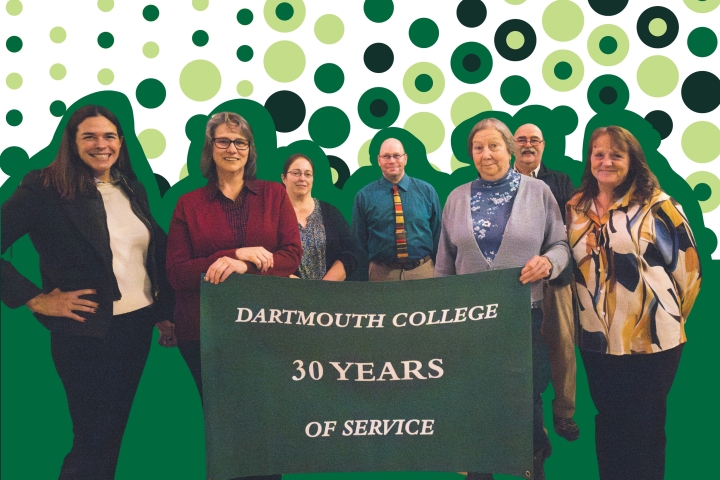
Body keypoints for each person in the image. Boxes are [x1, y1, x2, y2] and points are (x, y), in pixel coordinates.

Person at [1, 105, 175, 479]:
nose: (101, 144)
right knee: (92, 438)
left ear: (121, 142)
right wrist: (37, 298)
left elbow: (150, 255)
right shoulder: (44, 187)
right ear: (72, 142)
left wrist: (165, 313)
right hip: (84, 332)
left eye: (109, 136)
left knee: (112, 434)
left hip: (136, 328)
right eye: (90, 136)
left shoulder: (130, 186)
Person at [435, 118, 570, 480]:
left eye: (493, 145)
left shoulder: (538, 192)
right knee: (476, 396)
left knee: (525, 396)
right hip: (469, 322)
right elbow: (444, 265)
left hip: (524, 316)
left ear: (509, 150)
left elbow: (560, 244)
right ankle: (481, 467)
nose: (485, 154)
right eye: (478, 148)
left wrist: (548, 262)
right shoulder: (456, 197)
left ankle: (531, 462)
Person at [567, 126, 701, 480]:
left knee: (645, 427)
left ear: (633, 161)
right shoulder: (574, 208)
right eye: (598, 154)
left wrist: (664, 315)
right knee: (609, 423)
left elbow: (689, 273)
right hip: (596, 341)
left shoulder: (660, 207)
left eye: (616, 155)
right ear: (590, 159)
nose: (606, 161)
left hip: (652, 341)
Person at [166, 111, 301, 398]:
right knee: (219, 418)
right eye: (223, 141)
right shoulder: (187, 204)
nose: (232, 149)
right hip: (205, 330)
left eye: (241, 142)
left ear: (250, 150)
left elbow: (291, 256)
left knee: (267, 410)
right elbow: (177, 274)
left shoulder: (274, 194)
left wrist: (243, 266)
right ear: (209, 147)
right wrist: (234, 253)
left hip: (268, 326)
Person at [513, 123, 580, 441]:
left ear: (543, 145)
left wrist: (552, 262)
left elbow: (571, 230)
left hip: (555, 282)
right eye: (521, 139)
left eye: (534, 140)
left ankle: (564, 412)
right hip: (513, 285)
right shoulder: (498, 182)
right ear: (512, 145)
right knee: (518, 351)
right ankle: (520, 413)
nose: (528, 144)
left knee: (563, 347)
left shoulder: (561, 181)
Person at [352, 137, 441, 281]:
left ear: (405, 158)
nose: (392, 161)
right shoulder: (364, 196)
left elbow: (438, 235)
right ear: (379, 160)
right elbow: (359, 242)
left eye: (396, 156)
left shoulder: (427, 191)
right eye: (386, 156)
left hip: (423, 273)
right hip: (381, 276)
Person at [281, 153, 359, 280]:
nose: (302, 178)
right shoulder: (273, 216)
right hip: (287, 294)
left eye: (308, 174)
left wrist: (325, 286)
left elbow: (351, 252)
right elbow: (267, 258)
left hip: (330, 295)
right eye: (296, 173)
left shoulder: (330, 212)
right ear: (284, 178)